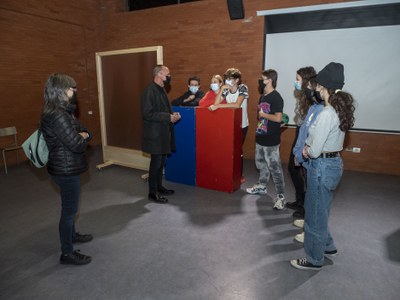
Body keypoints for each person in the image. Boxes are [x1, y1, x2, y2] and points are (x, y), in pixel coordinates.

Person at [291, 62, 355, 271]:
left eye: (317, 85)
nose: (315, 88)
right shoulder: (338, 108)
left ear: (323, 87)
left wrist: (305, 150)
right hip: (333, 164)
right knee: (321, 209)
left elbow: (315, 150)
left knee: (314, 215)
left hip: (321, 166)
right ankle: (327, 246)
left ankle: (314, 258)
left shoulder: (327, 113)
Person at [40, 73, 93, 265]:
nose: (75, 92)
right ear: (61, 91)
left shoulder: (63, 112)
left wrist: (83, 134)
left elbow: (85, 131)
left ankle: (72, 236)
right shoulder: (58, 116)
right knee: (69, 211)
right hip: (65, 169)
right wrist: (83, 136)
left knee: (69, 207)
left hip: (64, 166)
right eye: (72, 89)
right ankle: (67, 253)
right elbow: (78, 143)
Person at [246, 69, 286, 210]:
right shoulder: (262, 97)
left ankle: (281, 196)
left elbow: (278, 118)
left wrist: (264, 114)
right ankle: (262, 186)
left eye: (262, 78)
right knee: (260, 164)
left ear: (270, 80)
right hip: (260, 136)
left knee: (275, 168)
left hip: (271, 140)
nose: (260, 81)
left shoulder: (276, 97)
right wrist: (262, 115)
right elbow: (260, 117)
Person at [141, 65, 181, 204]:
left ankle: (159, 187)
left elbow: (163, 110)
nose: (169, 76)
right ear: (159, 74)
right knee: (156, 164)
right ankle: (152, 192)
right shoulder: (149, 91)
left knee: (161, 163)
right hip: (155, 135)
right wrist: (167, 117)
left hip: (163, 133)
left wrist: (172, 115)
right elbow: (148, 113)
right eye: (167, 73)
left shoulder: (161, 90)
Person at [285, 67, 317, 219]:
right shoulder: (303, 96)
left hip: (306, 137)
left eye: (298, 79)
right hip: (300, 132)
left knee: (303, 171)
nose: (295, 82)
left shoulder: (312, 98)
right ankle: (300, 200)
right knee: (293, 168)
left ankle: (305, 206)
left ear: (305, 80)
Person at [209, 68, 249, 182]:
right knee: (229, 150)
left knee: (238, 150)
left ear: (236, 80)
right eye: (226, 78)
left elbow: (237, 105)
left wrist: (218, 106)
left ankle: (239, 175)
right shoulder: (226, 90)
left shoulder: (243, 87)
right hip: (230, 125)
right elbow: (216, 103)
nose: (227, 81)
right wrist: (221, 90)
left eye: (229, 79)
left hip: (242, 125)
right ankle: (229, 173)